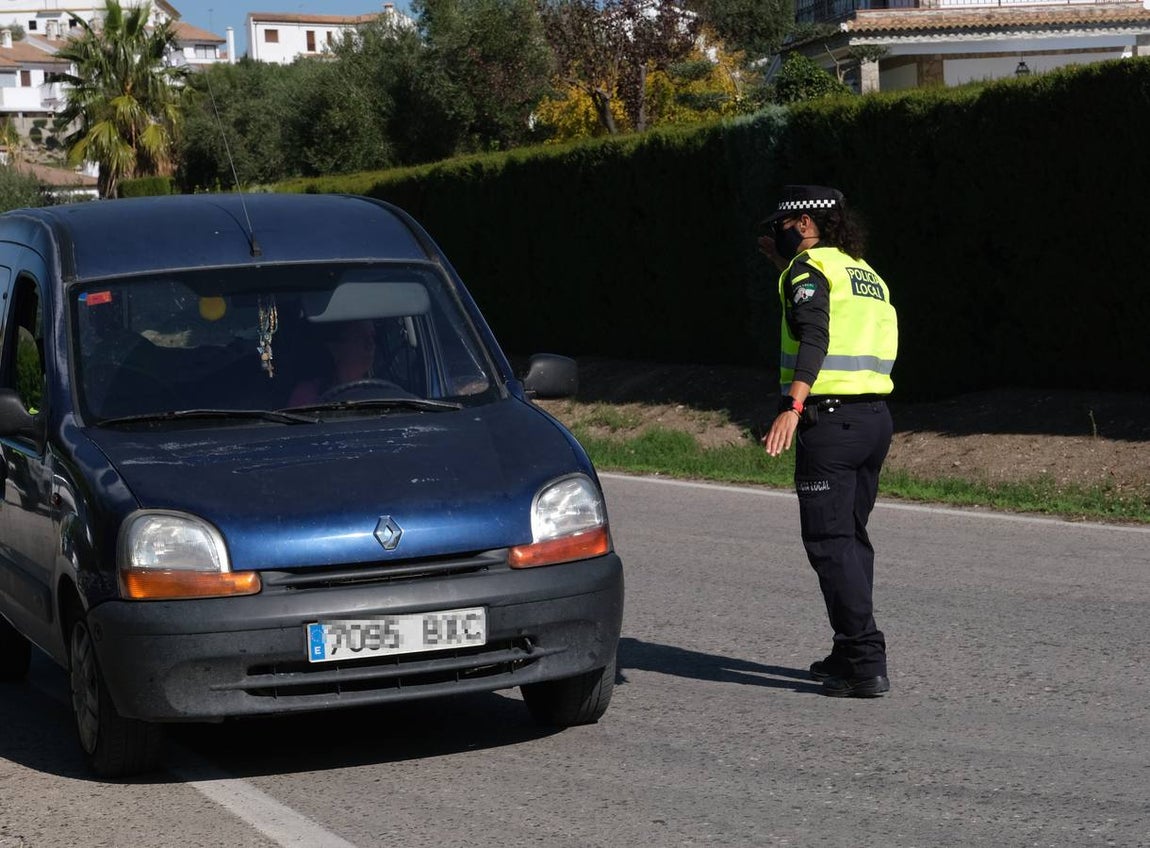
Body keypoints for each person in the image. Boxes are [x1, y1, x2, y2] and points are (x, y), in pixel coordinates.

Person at [758, 185, 899, 698]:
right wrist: (784, 266)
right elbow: (829, 315)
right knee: (851, 540)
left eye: (782, 224)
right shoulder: (863, 272)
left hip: (831, 423)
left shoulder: (808, 270)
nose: (777, 232)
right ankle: (847, 648)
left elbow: (815, 335)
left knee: (831, 543)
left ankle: (864, 660)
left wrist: (792, 407)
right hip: (874, 420)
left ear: (804, 224)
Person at [288, 319, 377, 406]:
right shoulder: (307, 394)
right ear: (335, 348)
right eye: (359, 337)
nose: (370, 344)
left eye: (372, 337)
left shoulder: (379, 393)